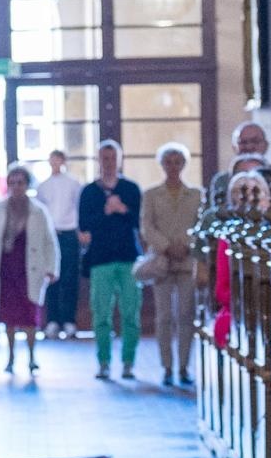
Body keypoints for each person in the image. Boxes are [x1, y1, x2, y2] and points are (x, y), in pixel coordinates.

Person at [0, 164, 59, 374]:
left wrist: (51, 267)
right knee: (9, 317)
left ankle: (32, 356)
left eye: (20, 182)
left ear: (27, 184)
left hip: (29, 269)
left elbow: (50, 242)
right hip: (5, 269)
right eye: (12, 182)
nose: (16, 187)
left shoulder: (38, 211)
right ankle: (11, 356)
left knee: (30, 315)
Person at [80, 140, 144, 380]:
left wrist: (123, 210)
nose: (108, 163)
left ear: (119, 160)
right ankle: (104, 362)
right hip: (100, 259)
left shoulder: (131, 189)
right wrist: (106, 212)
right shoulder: (89, 192)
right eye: (104, 158)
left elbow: (140, 221)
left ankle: (128, 361)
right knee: (101, 314)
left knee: (130, 312)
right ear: (99, 161)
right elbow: (84, 226)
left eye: (112, 158)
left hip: (128, 257)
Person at [141, 143, 203, 386]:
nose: (173, 167)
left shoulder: (196, 195)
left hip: (187, 261)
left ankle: (184, 366)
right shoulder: (151, 195)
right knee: (164, 315)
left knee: (186, 315)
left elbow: (200, 226)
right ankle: (167, 366)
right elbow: (147, 226)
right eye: (168, 162)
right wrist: (166, 246)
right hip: (162, 261)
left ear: (184, 165)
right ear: (162, 164)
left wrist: (186, 244)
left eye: (177, 162)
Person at [212, 170, 271, 342]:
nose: (250, 198)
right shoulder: (228, 237)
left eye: (256, 192)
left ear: (266, 197)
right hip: (240, 307)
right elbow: (222, 290)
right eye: (241, 192)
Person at [36, 149, 82, 339]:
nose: (55, 162)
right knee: (52, 277)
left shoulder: (73, 183)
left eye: (58, 159)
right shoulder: (43, 186)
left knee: (70, 278)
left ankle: (69, 320)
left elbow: (78, 207)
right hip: (50, 235)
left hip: (70, 233)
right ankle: (52, 320)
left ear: (63, 161)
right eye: (52, 159)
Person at [210, 120, 271, 203]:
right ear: (234, 147)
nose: (249, 147)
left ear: (266, 145)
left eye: (255, 141)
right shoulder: (222, 181)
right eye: (243, 142)